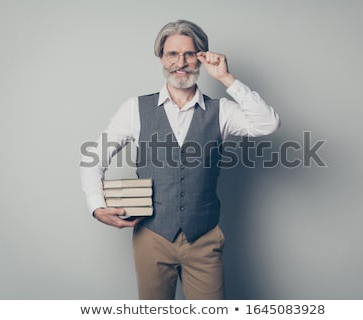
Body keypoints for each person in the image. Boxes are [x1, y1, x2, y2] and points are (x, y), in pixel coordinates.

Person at [80, 19, 280, 300]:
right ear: (161, 57)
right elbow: (93, 157)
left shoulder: (221, 111)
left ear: (201, 57)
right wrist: (96, 206)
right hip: (152, 236)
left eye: (189, 53)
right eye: (172, 54)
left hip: (205, 238)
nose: (181, 62)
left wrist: (226, 78)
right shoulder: (135, 109)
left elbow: (267, 124)